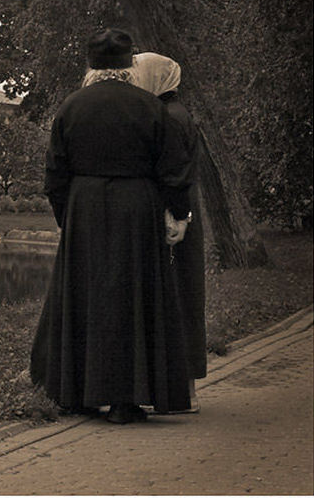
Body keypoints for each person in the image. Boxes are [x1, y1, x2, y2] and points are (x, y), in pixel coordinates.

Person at [30, 28, 193, 424]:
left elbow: (55, 174)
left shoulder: (71, 107)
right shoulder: (151, 107)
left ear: (91, 65)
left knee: (84, 297)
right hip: (137, 207)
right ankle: (126, 399)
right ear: (127, 64)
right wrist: (178, 214)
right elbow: (172, 170)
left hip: (85, 206)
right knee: (132, 297)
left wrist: (67, 216)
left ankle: (77, 393)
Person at [131, 52, 206, 412]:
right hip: (179, 212)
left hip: (173, 218)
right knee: (180, 297)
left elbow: (173, 174)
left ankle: (179, 390)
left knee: (174, 298)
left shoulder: (167, 117)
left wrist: (178, 216)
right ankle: (178, 388)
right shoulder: (173, 113)